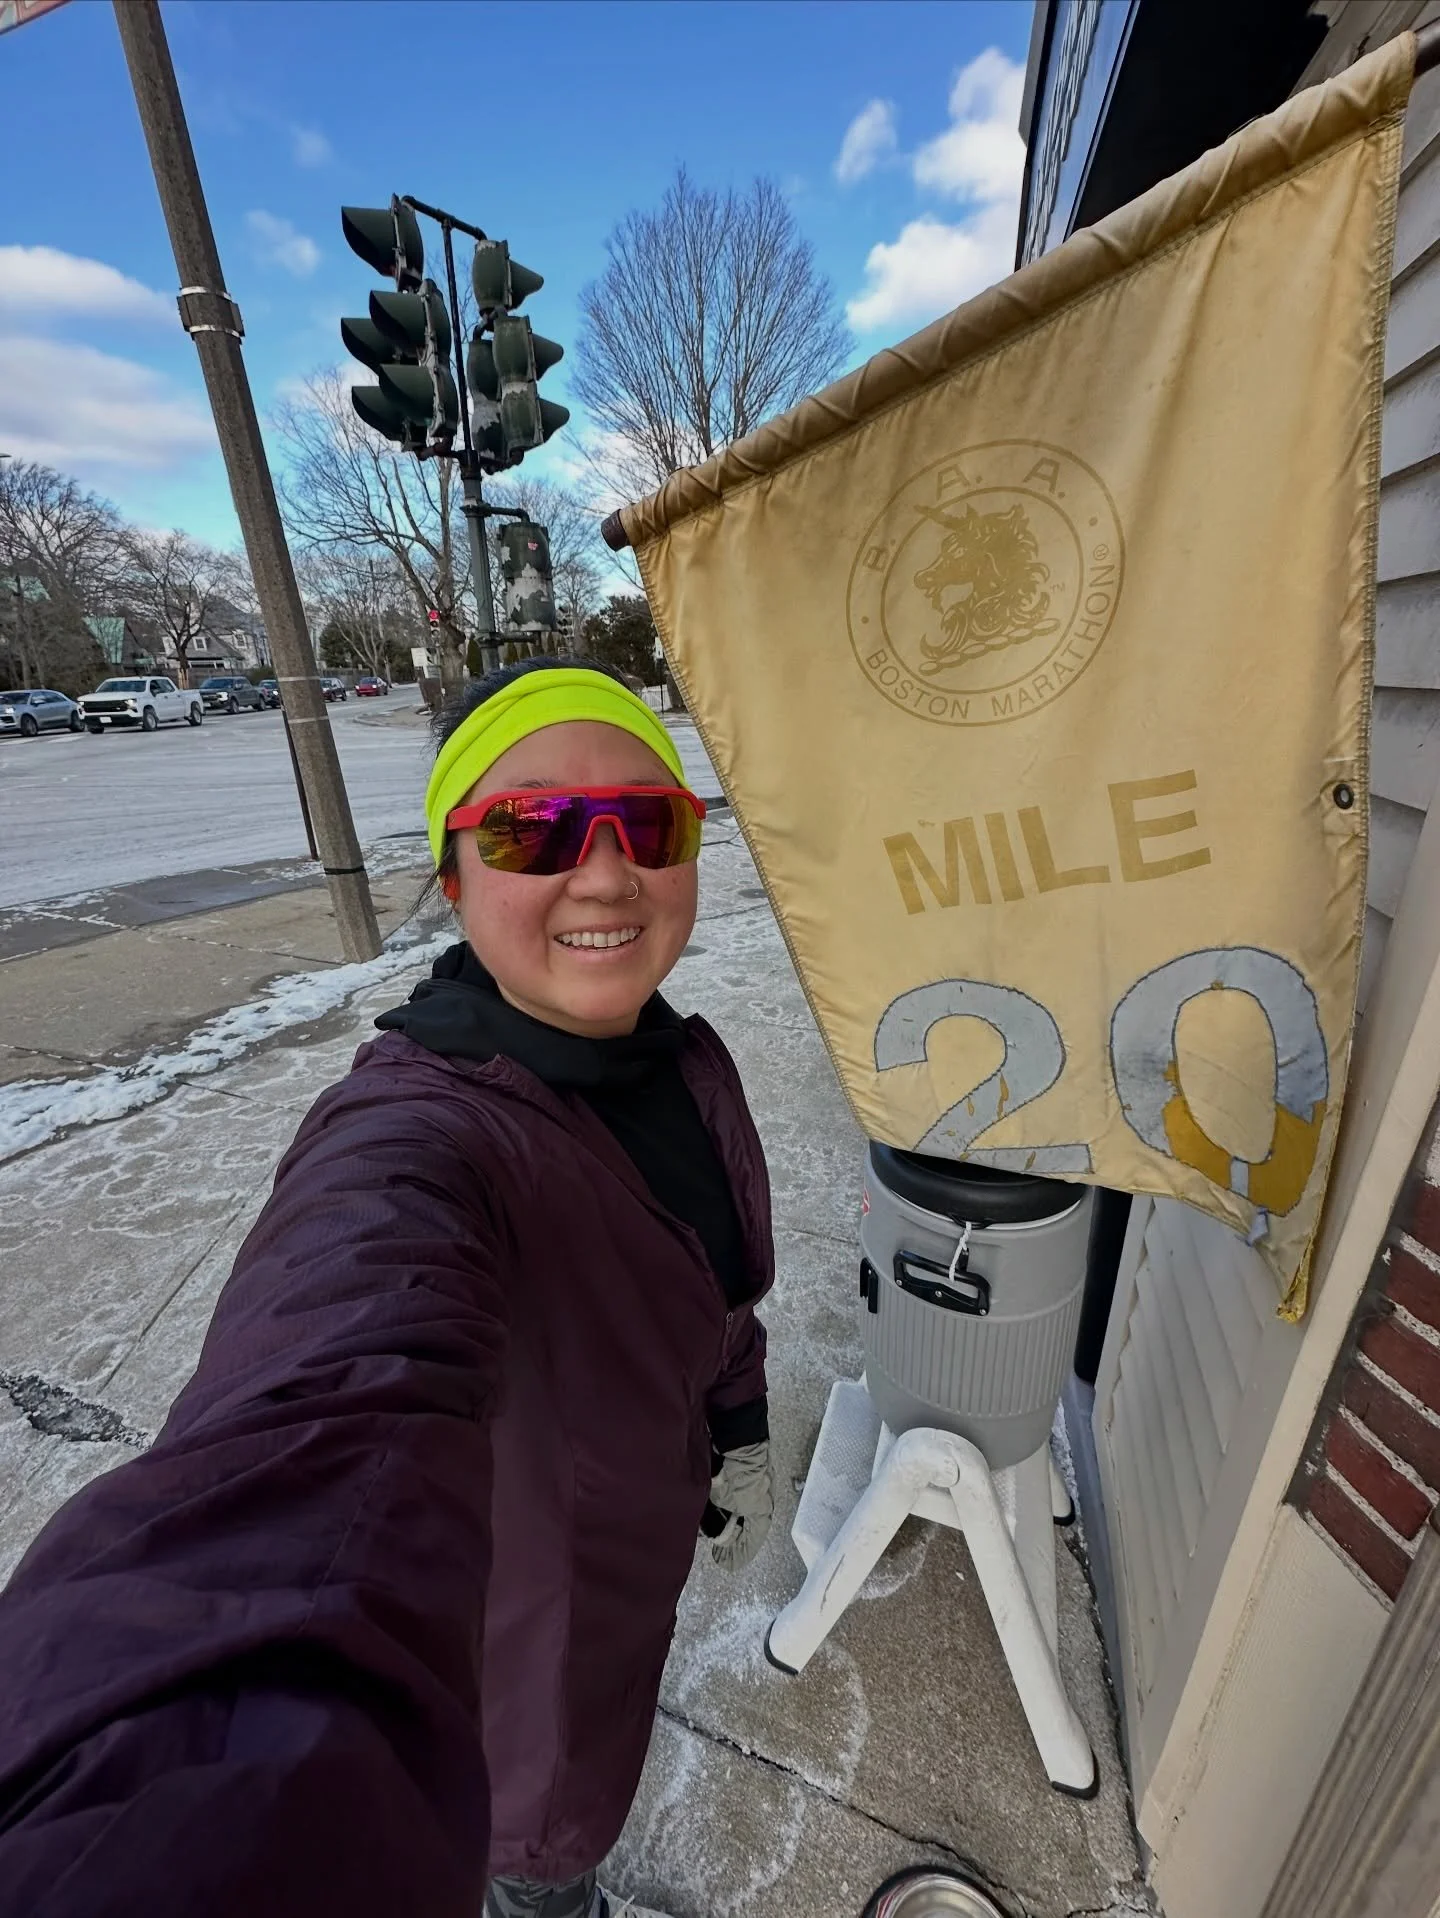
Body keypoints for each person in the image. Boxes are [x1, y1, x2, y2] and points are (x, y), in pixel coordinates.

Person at [0, 659, 775, 1918]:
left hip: (640, 1563)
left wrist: (732, 1410)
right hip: (527, 1657)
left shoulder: (679, 1056)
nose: (606, 871)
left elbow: (713, 1271)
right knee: (546, 1855)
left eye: (650, 820)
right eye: (531, 828)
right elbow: (320, 1402)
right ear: (452, 874)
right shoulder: (418, 1135)